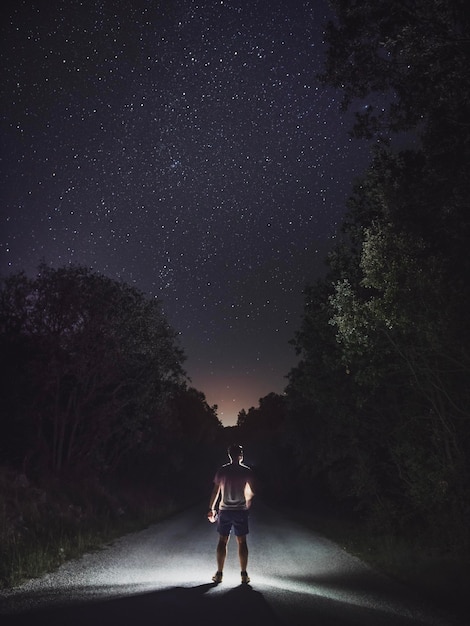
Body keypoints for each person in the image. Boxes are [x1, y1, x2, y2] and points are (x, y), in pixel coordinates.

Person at [207, 443, 255, 585]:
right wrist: (247, 501)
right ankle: (244, 575)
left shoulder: (222, 471)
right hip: (240, 510)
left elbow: (216, 491)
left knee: (222, 541)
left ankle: (219, 574)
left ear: (229, 455)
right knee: (242, 542)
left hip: (225, 510)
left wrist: (211, 508)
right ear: (240, 454)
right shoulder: (247, 471)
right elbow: (251, 491)